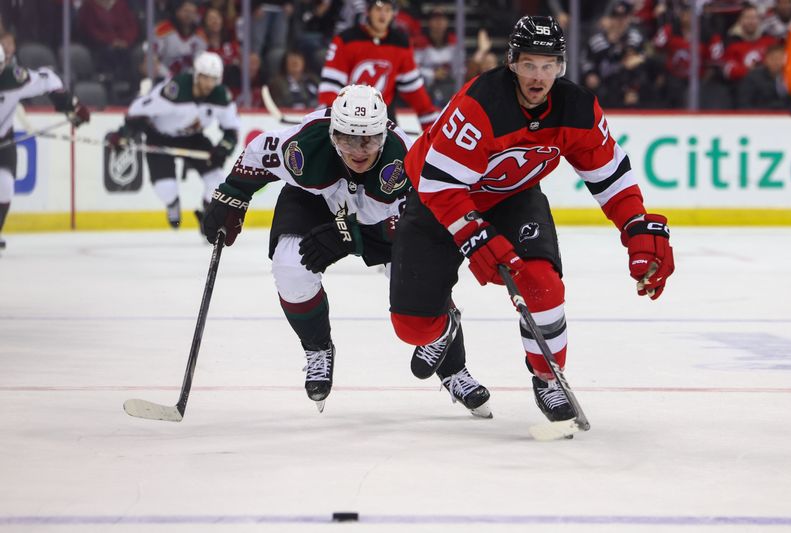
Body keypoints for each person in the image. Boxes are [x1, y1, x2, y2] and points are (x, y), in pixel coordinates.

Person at [388, 15, 675, 425]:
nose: (538, 76)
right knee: (413, 328)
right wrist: (475, 236)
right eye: (528, 65)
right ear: (511, 63)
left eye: (548, 65)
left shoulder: (577, 108)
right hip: (438, 201)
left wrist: (635, 227)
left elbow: (609, 174)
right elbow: (439, 184)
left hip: (513, 197)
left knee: (541, 283)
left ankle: (546, 376)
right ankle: (442, 322)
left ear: (561, 66)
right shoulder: (482, 104)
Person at [200, 84, 489, 415]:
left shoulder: (408, 160)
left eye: (368, 139)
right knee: (290, 266)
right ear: (333, 133)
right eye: (348, 139)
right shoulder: (305, 146)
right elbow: (257, 152)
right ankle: (317, 349)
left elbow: (417, 231)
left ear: (384, 133)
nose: (358, 151)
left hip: (385, 220)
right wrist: (231, 195)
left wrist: (351, 236)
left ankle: (454, 370)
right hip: (314, 201)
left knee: (417, 282)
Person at [109, 51, 239, 229]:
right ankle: (172, 203)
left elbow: (232, 129)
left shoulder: (221, 96)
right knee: (166, 188)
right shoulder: (175, 90)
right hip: (161, 137)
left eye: (214, 79)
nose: (209, 84)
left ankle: (208, 215)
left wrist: (224, 148)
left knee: (218, 180)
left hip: (193, 138)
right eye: (205, 78)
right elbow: (141, 109)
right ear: (196, 75)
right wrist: (124, 133)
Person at [0, 43, 90, 250]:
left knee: (4, 186)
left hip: (3, 141)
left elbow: (48, 79)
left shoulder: (13, 78)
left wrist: (71, 106)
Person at [318, 0, 439, 131]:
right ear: (368, 11)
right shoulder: (346, 40)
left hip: (383, 119)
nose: (383, 15)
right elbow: (330, 88)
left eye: (387, 10)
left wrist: (432, 127)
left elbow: (414, 91)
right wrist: (327, 122)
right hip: (347, 118)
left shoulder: (401, 43)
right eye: (378, 9)